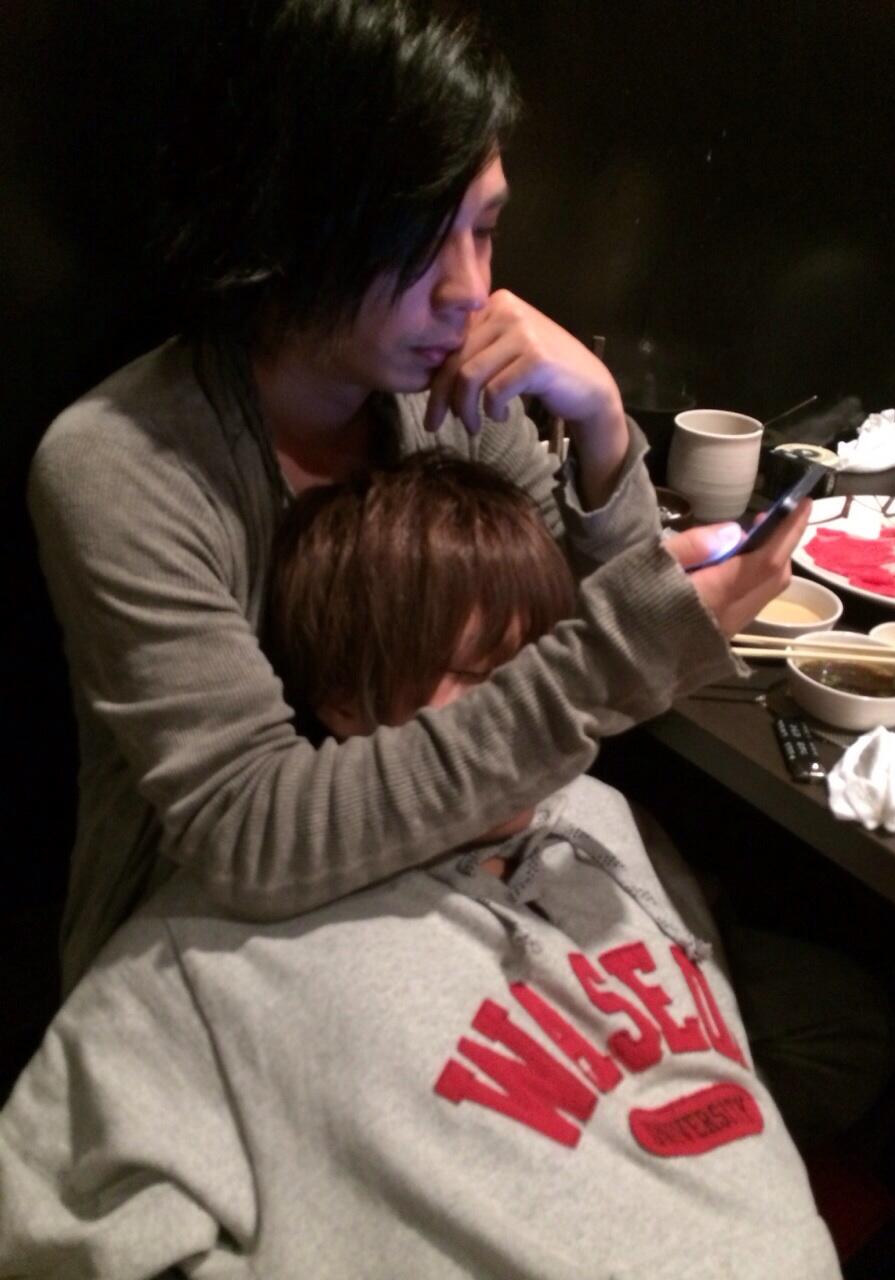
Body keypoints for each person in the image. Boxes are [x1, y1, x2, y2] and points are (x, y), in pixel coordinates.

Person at [27, 0, 808, 994]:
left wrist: (603, 421)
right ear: (289, 219)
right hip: (211, 958)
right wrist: (628, 645)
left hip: (456, 881)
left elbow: (579, 638)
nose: (470, 291)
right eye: (419, 238)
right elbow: (251, 831)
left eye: (485, 229)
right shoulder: (121, 461)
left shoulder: (452, 394)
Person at [0, 454, 841, 1278]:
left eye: (547, 664)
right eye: (483, 678)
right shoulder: (203, 947)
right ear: (342, 697)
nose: (541, 722)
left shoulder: (600, 814)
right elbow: (47, 1225)